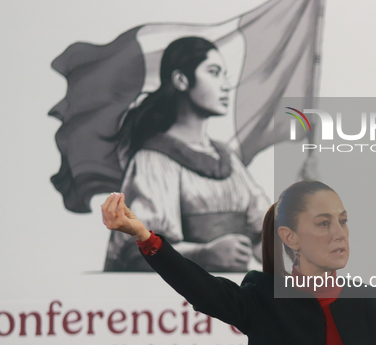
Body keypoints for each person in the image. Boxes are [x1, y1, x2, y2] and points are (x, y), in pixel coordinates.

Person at [101, 180, 376, 345]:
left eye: (344, 221)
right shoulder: (264, 297)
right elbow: (203, 289)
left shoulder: (373, 300)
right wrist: (146, 238)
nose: (340, 233)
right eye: (324, 223)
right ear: (290, 237)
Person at [104, 36, 269, 272]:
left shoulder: (227, 158)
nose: (225, 85)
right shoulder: (153, 160)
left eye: (225, 75)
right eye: (213, 72)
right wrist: (204, 254)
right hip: (178, 303)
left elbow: (260, 232)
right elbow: (138, 249)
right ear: (181, 80)